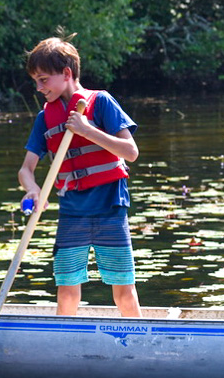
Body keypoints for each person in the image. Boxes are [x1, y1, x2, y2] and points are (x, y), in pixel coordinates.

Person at [18, 35, 141, 317]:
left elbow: (130, 152)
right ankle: (65, 343)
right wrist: (33, 189)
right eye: (35, 81)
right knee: (67, 287)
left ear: (67, 73)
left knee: (123, 288)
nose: (39, 88)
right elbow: (26, 168)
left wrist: (87, 130)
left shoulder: (101, 103)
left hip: (110, 207)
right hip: (72, 211)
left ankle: (136, 342)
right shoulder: (44, 118)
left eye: (43, 79)